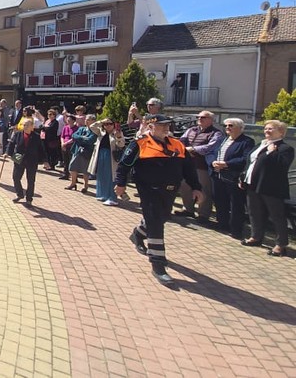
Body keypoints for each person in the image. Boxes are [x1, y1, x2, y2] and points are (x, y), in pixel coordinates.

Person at [115, 114, 203, 285]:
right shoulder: (139, 143)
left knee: (161, 218)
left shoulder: (178, 145)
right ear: (151, 126)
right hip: (148, 189)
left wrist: (196, 187)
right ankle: (158, 265)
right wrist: (120, 183)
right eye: (161, 125)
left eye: (167, 125)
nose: (166, 128)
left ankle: (137, 234)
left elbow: (189, 169)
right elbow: (124, 165)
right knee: (155, 224)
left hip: (170, 190)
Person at [239, 119, 294, 256]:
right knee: (254, 212)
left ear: (281, 132)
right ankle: (256, 237)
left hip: (271, 188)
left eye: (271, 129)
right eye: (265, 129)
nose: (266, 131)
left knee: (277, 216)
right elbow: (251, 163)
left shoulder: (285, 148)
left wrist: (271, 153)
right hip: (253, 184)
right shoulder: (260, 145)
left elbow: (282, 165)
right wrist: (243, 177)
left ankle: (281, 245)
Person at [210, 118, 255, 238]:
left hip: (233, 177)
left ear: (240, 128)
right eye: (226, 125)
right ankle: (222, 224)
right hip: (218, 175)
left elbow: (245, 158)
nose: (227, 127)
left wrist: (227, 164)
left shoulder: (246, 141)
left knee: (235, 204)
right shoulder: (223, 139)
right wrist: (213, 162)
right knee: (220, 200)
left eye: (231, 125)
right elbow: (214, 152)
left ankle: (236, 229)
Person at [177, 111, 221, 221]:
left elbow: (210, 147)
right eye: (198, 117)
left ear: (211, 120)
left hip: (202, 166)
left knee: (204, 189)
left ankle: (203, 214)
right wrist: (184, 149)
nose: (200, 119)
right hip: (187, 164)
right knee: (184, 186)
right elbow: (181, 141)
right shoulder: (191, 130)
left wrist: (192, 149)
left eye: (203, 117)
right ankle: (188, 210)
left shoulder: (216, 133)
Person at [9, 117, 46, 208]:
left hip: (32, 159)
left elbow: (42, 149)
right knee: (15, 177)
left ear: (32, 126)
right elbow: (11, 144)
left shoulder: (36, 136)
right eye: (24, 125)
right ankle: (20, 194)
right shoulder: (18, 134)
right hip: (18, 157)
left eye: (27, 125)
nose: (25, 127)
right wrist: (8, 153)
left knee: (31, 180)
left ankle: (29, 199)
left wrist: (45, 161)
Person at [91, 118, 126, 206]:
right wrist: (101, 121)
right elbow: (92, 126)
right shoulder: (101, 132)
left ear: (114, 124)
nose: (108, 125)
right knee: (102, 175)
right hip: (100, 155)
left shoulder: (117, 132)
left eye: (110, 123)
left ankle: (112, 198)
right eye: (106, 124)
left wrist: (118, 137)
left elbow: (121, 145)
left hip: (111, 158)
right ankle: (104, 195)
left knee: (111, 177)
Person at [66, 114, 98, 195]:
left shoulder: (95, 131)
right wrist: (82, 138)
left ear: (94, 121)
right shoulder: (81, 128)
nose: (86, 121)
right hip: (77, 151)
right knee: (72, 167)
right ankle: (73, 183)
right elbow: (74, 135)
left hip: (87, 152)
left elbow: (90, 140)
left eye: (89, 119)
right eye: (86, 119)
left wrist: (80, 138)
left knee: (85, 170)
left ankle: (85, 185)